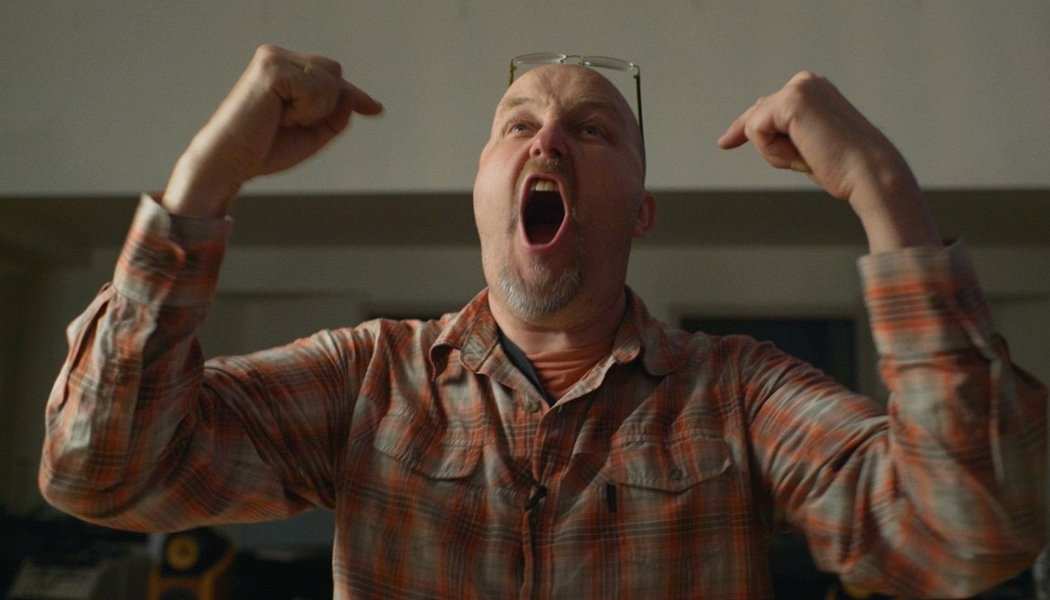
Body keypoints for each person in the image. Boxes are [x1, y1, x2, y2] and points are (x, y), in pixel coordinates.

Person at [39, 44, 1046, 599]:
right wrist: (202, 182)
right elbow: (99, 470)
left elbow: (971, 532)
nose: (549, 139)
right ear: (480, 191)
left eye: (592, 129)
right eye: (517, 123)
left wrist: (881, 188)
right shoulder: (367, 379)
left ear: (641, 211)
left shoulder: (740, 394)